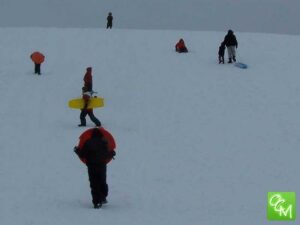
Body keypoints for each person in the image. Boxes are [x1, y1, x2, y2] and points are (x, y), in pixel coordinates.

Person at [74, 128, 116, 208]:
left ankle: (97, 202)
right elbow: (106, 155)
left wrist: (77, 151)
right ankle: (103, 197)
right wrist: (112, 154)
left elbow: (83, 154)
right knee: (102, 181)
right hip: (102, 166)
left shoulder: (88, 143)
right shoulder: (104, 143)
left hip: (91, 166)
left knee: (94, 183)